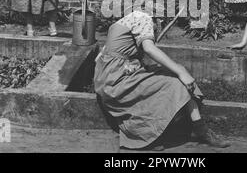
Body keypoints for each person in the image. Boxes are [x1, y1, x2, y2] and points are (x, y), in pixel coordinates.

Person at [94, 9, 230, 150]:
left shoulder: (125, 20)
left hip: (105, 78)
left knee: (167, 72)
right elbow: (149, 49)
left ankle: (197, 129)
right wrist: (181, 71)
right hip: (118, 80)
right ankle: (199, 130)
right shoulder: (143, 17)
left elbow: (104, 56)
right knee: (177, 81)